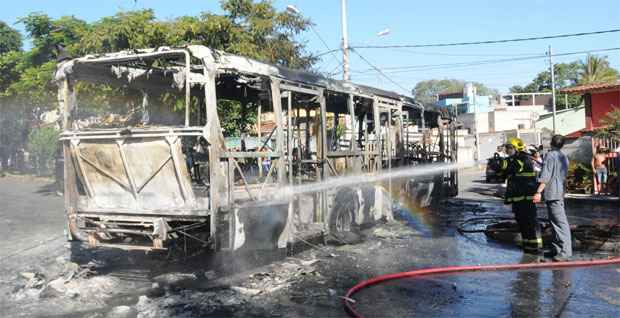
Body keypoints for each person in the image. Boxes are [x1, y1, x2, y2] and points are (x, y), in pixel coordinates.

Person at [494, 137, 541, 254]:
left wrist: (501, 164)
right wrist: (497, 167)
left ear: (516, 148)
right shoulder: (515, 158)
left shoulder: (522, 158)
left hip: (525, 198)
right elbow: (504, 173)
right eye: (507, 148)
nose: (508, 150)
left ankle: (534, 247)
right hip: (519, 198)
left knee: (528, 223)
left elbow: (511, 166)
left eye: (510, 148)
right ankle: (528, 246)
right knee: (522, 222)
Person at [533, 134, 571, 262]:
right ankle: (557, 249)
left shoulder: (550, 156)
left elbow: (546, 176)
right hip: (558, 192)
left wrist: (538, 192)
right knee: (554, 222)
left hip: (553, 193)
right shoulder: (564, 156)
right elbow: (564, 177)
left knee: (560, 224)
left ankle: (565, 252)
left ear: (551, 143)